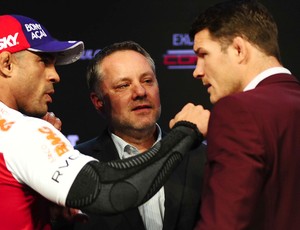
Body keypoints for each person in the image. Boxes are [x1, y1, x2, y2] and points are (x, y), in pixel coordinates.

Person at [0, 14, 210, 229]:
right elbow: (108, 191)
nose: (55, 76)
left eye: (147, 81)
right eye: (43, 62)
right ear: (6, 64)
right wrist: (186, 132)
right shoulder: (21, 133)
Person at [170, 0, 300, 229]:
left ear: (238, 49)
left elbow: (223, 223)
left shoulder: (236, 112)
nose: (197, 71)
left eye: (203, 54)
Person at [67, 41, 207, 230]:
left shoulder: (201, 156)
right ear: (98, 101)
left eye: (147, 81)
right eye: (123, 85)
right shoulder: (78, 164)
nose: (140, 92)